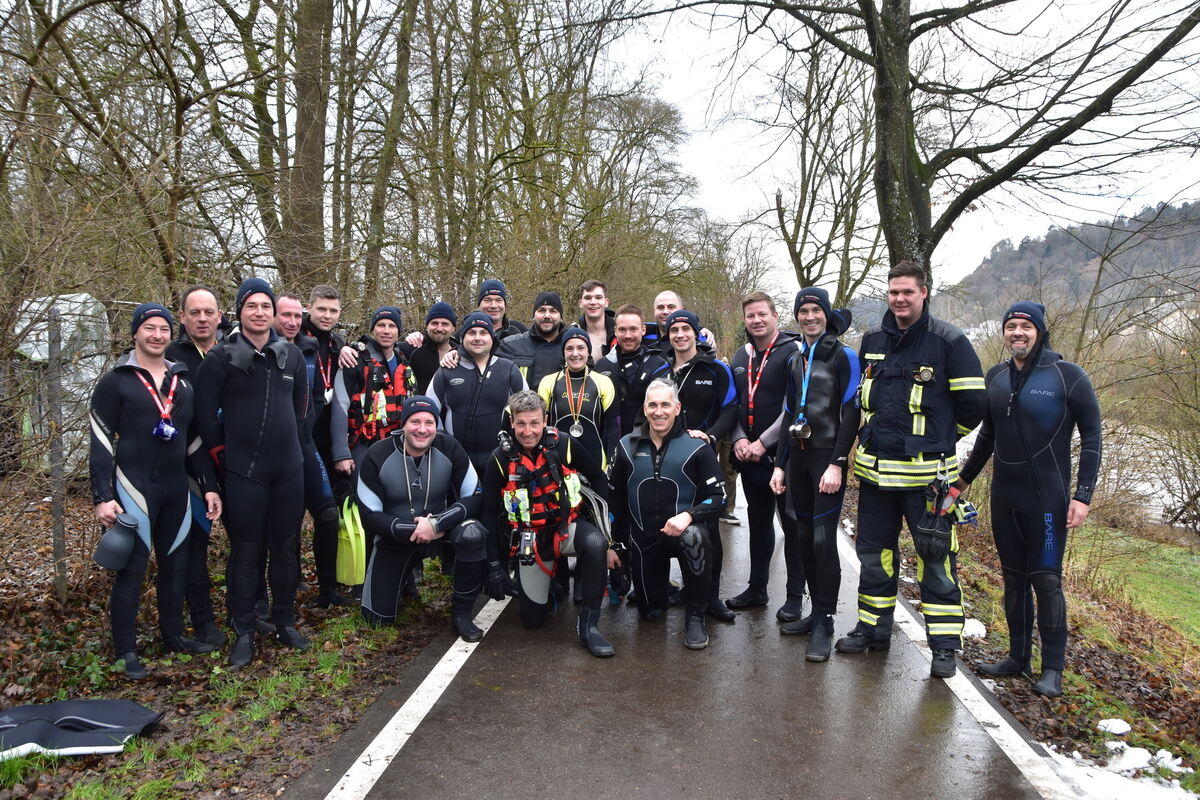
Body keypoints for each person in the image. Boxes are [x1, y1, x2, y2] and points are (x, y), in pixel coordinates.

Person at [839, 261, 986, 679]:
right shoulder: (872, 340)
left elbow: (973, 407)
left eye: (907, 292)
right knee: (873, 556)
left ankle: (943, 647)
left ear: (924, 293)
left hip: (927, 482)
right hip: (874, 477)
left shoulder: (950, 342)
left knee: (936, 561)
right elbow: (860, 404)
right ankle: (873, 629)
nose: (899, 299)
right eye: (893, 292)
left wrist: (939, 439)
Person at [956, 301, 1102, 698]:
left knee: (1047, 580)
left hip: (1048, 499)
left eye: (1025, 326)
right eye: (1011, 326)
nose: (1017, 332)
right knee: (1013, 579)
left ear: (1039, 331)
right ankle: (1017, 657)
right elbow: (987, 437)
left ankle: (1052, 668)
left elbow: (1092, 438)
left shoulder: (1068, 376)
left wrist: (1082, 496)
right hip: (1005, 496)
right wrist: (961, 482)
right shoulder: (997, 377)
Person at [90, 303, 223, 678]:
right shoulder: (116, 381)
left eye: (163, 329)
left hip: (176, 489)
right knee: (132, 570)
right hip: (133, 489)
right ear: (136, 333)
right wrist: (102, 496)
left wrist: (209, 488)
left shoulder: (182, 382)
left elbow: (193, 440)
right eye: (149, 328)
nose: (157, 335)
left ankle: (174, 637)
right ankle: (126, 652)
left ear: (170, 334)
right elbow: (100, 441)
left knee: (175, 566)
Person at [195, 278, 311, 668]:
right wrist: (223, 460)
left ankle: (284, 620)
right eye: (252, 306)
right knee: (246, 553)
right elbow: (206, 420)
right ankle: (244, 630)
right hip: (244, 472)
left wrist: (291, 450)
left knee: (285, 548)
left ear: (274, 312)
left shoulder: (290, 356)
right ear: (239, 312)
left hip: (288, 470)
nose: (260, 312)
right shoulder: (219, 358)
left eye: (266, 306)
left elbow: (300, 411)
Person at [478, 391, 617, 656]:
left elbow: (599, 478)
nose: (528, 431)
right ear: (512, 424)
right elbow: (488, 514)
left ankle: (589, 626)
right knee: (533, 622)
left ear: (545, 421)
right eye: (521, 424)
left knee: (595, 543)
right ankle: (554, 585)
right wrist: (493, 564)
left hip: (567, 530)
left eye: (534, 423)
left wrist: (607, 536)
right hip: (530, 541)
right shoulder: (499, 458)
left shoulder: (563, 443)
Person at [769, 288, 861, 661]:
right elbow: (790, 413)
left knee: (824, 540)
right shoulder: (796, 358)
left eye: (815, 311)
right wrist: (779, 464)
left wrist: (838, 463)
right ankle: (813, 614)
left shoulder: (844, 355)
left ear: (826, 314)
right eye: (803, 311)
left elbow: (851, 411)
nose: (809, 317)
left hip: (826, 456)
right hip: (799, 458)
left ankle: (825, 620)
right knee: (802, 536)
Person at [355, 396, 496, 638]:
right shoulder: (377, 454)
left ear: (436, 425)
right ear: (403, 424)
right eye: (415, 422)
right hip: (397, 535)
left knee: (472, 533)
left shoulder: (449, 447)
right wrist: (412, 529)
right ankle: (405, 581)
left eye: (429, 422)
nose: (422, 429)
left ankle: (461, 615)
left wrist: (437, 523)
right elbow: (369, 515)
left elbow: (474, 496)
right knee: (376, 620)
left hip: (442, 530)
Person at [610, 379, 726, 649]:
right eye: (653, 405)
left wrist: (689, 515)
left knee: (694, 536)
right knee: (650, 614)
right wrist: (614, 545)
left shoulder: (697, 446)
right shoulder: (626, 446)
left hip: (682, 534)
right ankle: (659, 592)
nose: (658, 411)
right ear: (645, 408)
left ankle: (696, 615)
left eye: (665, 405)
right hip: (644, 541)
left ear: (677, 408)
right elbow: (614, 499)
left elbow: (720, 497)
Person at [643, 308, 738, 622]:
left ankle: (710, 596)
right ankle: (683, 589)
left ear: (696, 333)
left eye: (686, 329)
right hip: (666, 462)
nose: (680, 335)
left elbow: (731, 408)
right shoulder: (661, 369)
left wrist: (710, 437)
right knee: (669, 524)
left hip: (700, 457)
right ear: (668, 335)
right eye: (674, 330)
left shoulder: (716, 370)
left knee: (708, 528)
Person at [726, 292, 805, 620]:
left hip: (783, 458)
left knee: (792, 527)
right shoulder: (739, 357)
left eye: (762, 314)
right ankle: (757, 589)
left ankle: (794, 598)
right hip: (750, 459)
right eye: (750, 316)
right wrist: (739, 439)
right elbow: (732, 404)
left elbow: (793, 406)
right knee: (758, 524)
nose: (756, 320)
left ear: (775, 316)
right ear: (744, 320)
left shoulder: (792, 353)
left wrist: (762, 442)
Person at [165, 285, 227, 647]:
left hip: (234, 463)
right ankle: (202, 620)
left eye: (208, 312)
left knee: (248, 544)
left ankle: (248, 613)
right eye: (194, 313)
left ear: (220, 316)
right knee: (194, 546)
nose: (202, 319)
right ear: (183, 317)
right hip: (192, 466)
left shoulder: (232, 351)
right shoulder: (171, 356)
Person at [276, 293, 345, 607]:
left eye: (333, 310)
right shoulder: (293, 339)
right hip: (286, 446)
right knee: (288, 520)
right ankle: (290, 589)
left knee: (328, 516)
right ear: (309, 309)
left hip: (321, 443)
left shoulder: (338, 345)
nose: (327, 315)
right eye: (321, 309)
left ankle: (328, 591)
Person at [427, 312, 527, 476]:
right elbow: (428, 412)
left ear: (492, 338)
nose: (477, 338)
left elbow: (529, 411)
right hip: (456, 463)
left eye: (483, 333)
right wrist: (442, 445)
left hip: (501, 461)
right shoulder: (447, 370)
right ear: (462, 338)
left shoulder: (509, 370)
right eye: (471, 333)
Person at [537, 327, 618, 470]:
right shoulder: (548, 382)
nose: (575, 353)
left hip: (596, 462)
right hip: (556, 463)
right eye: (569, 348)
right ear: (563, 352)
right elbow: (539, 424)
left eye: (581, 348)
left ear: (588, 351)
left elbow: (612, 429)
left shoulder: (603, 382)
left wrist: (611, 464)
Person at [594, 304, 655, 438]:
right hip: (609, 444)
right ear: (615, 331)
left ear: (643, 330)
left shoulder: (657, 364)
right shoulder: (602, 366)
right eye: (622, 329)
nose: (628, 335)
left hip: (646, 444)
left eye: (633, 329)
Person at [496, 291, 567, 388]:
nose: (547, 315)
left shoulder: (572, 347)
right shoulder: (510, 345)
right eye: (541, 310)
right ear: (533, 315)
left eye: (553, 311)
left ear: (561, 317)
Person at [407, 302, 458, 393]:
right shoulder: (413, 349)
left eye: (445, 324)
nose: (439, 328)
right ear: (427, 326)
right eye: (434, 323)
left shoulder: (462, 354)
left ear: (453, 328)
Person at [577, 280, 615, 359]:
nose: (593, 302)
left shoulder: (620, 333)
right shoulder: (573, 335)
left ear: (606, 302)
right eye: (587, 298)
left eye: (598, 297)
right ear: (581, 303)